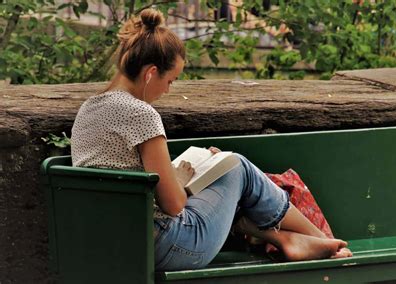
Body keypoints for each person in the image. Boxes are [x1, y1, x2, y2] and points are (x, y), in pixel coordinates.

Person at [71, 8, 352, 271]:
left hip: (102, 241)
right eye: (170, 80)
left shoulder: (87, 110)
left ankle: (286, 239)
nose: (168, 90)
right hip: (161, 245)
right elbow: (174, 206)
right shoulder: (142, 115)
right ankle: (323, 239)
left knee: (224, 172)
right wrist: (180, 180)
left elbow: (130, 175)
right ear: (151, 73)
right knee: (237, 167)